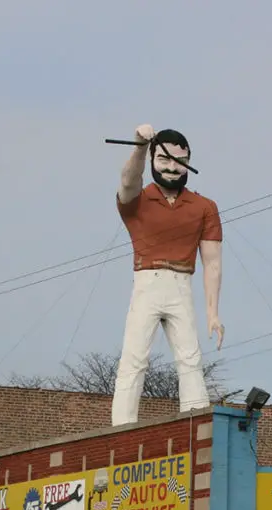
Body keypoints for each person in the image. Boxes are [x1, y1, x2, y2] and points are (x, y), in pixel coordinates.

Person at [110, 123, 225, 427]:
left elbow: (212, 262)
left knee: (190, 358)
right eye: (164, 160)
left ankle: (195, 425)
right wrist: (138, 146)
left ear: (189, 160)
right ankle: (122, 429)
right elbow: (127, 180)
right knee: (133, 359)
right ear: (151, 160)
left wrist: (212, 312)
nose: (172, 168)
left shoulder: (204, 206)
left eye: (179, 160)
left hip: (181, 284)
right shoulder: (139, 199)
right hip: (146, 282)